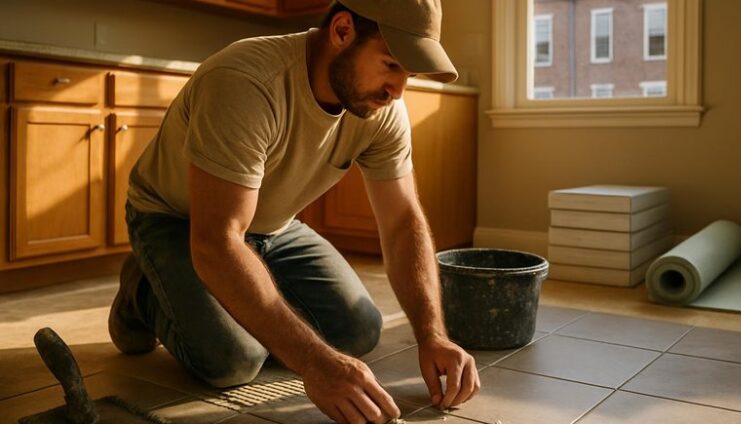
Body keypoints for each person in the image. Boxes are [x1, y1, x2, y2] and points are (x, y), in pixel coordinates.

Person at [107, 0, 480, 423]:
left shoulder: (382, 109)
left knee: (359, 331)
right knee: (232, 360)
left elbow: (401, 221)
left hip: (273, 227)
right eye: (391, 65)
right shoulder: (245, 82)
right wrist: (316, 363)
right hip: (178, 220)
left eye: (409, 75)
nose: (397, 91)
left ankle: (236, 289)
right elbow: (217, 242)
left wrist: (433, 335)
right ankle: (140, 288)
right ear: (342, 31)